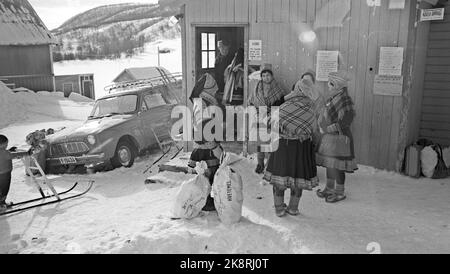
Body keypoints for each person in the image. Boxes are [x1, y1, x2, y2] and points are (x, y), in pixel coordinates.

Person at [263, 78, 319, 217]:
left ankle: (279, 208)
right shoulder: (311, 109)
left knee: (279, 179)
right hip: (302, 148)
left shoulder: (285, 106)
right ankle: (293, 208)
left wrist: (282, 130)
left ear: (297, 90)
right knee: (298, 179)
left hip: (283, 147)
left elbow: (268, 122)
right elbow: (314, 129)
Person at [315, 71, 358, 203]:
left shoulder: (345, 100)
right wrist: (321, 125)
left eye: (331, 83)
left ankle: (339, 192)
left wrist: (330, 128)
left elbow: (347, 119)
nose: (328, 86)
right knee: (330, 164)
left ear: (337, 85)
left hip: (340, 137)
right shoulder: (331, 98)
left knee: (339, 166)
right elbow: (325, 114)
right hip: (329, 137)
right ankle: (329, 188)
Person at [188, 73, 224, 212]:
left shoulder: (203, 100)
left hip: (205, 142)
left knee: (207, 173)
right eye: (214, 87)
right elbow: (202, 124)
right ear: (209, 88)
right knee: (208, 173)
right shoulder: (203, 102)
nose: (216, 90)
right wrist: (212, 144)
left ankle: (205, 199)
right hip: (206, 144)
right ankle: (205, 201)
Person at [249, 63, 288, 174]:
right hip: (260, 117)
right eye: (264, 75)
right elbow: (251, 101)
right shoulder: (257, 87)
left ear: (272, 76)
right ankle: (260, 163)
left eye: (268, 75)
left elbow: (282, 104)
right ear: (261, 77)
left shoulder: (278, 88)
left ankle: (270, 165)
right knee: (260, 143)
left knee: (272, 144)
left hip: (273, 118)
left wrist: (272, 113)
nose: (266, 78)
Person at [0, 135, 31, 211]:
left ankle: (1, 203)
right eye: (6, 144)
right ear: (1, 144)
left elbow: (6, 154)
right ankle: (1, 204)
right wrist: (27, 153)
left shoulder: (3, 152)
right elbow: (13, 155)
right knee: (4, 189)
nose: (7, 145)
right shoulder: (4, 152)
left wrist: (10, 150)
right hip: (5, 174)